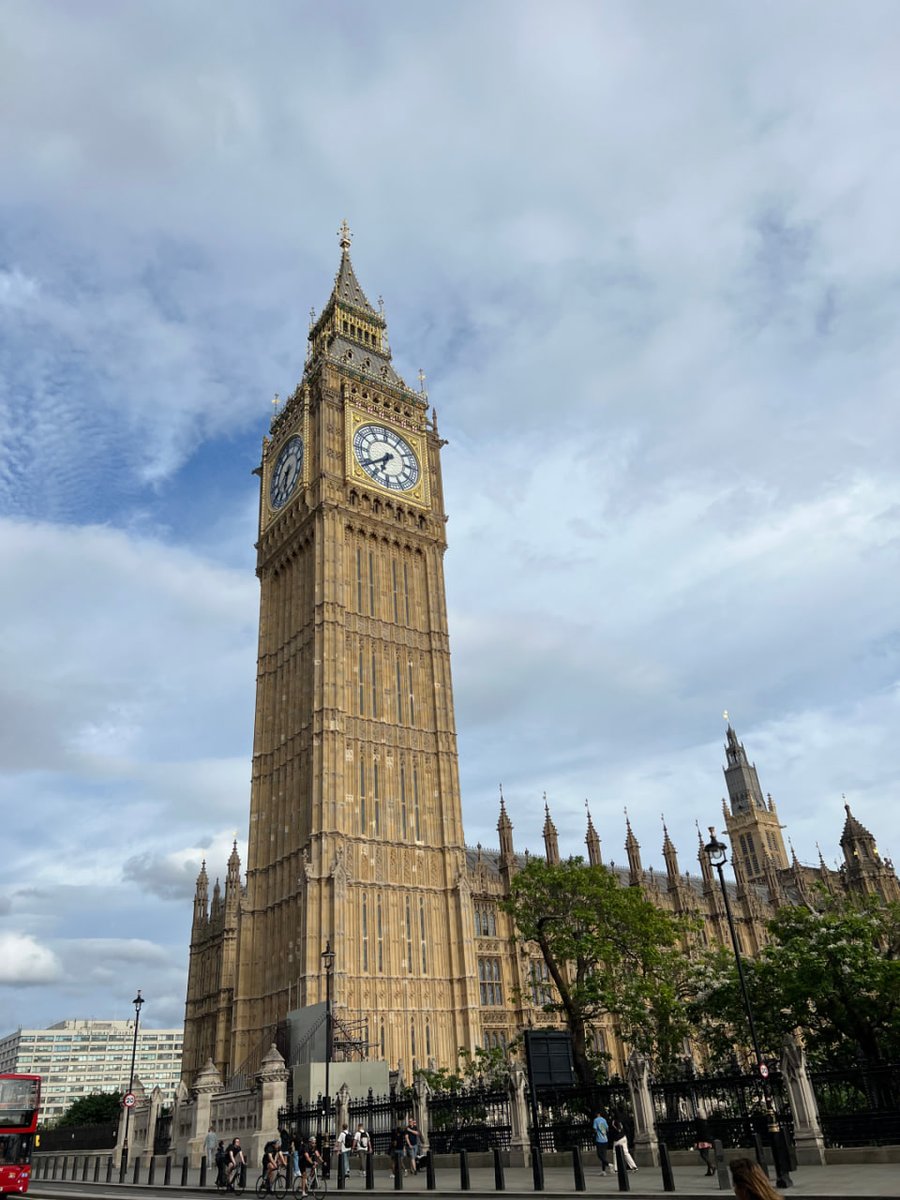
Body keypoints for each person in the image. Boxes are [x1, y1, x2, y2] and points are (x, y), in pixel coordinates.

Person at [592, 1110, 610, 1175]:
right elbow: (607, 1129)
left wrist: (596, 1132)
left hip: (599, 1140)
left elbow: (595, 1129)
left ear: (597, 1114)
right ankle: (603, 1171)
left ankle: (608, 1164)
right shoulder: (604, 1120)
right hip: (605, 1139)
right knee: (604, 1155)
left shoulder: (595, 1120)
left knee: (599, 1155)